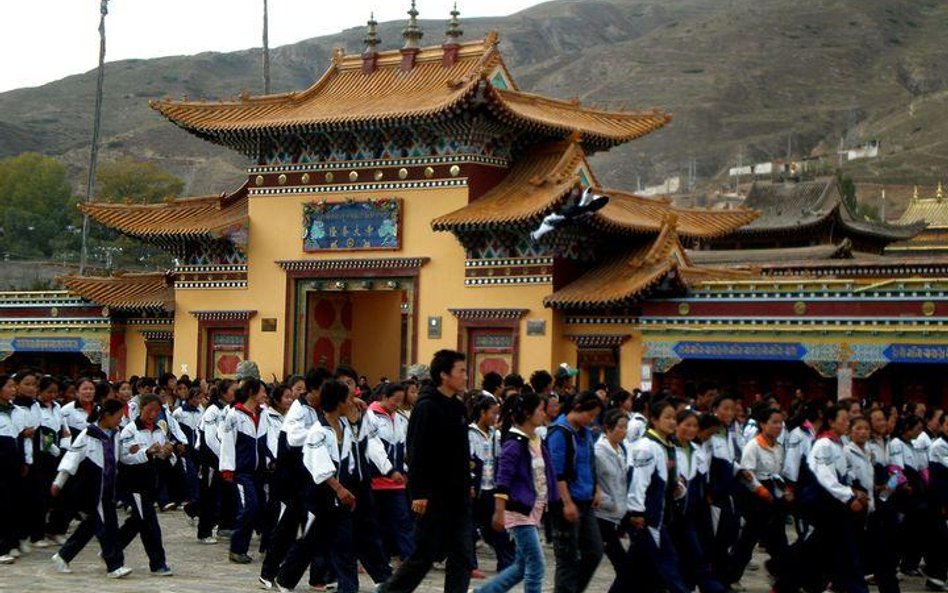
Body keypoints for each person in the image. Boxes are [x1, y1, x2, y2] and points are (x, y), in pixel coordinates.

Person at [377, 349, 474, 593]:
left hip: (458, 496)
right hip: (432, 495)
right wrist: (419, 492)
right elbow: (416, 452)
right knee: (424, 556)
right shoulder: (427, 407)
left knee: (462, 555)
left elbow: (462, 454)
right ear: (444, 374)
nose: (465, 376)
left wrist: (467, 484)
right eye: (461, 371)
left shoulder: (458, 408)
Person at [275, 379, 359, 593]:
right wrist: (339, 489)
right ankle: (285, 578)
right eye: (348, 399)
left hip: (342, 495)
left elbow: (350, 459)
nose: (352, 402)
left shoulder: (344, 427)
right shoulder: (317, 431)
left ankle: (349, 588)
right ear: (339, 402)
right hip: (321, 495)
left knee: (344, 544)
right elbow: (320, 466)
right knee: (310, 541)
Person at [474, 392, 557, 593]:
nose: (544, 413)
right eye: (540, 409)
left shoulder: (535, 440)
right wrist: (499, 510)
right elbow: (502, 480)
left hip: (532, 511)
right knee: (536, 565)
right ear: (528, 413)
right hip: (519, 512)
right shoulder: (514, 443)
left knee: (521, 566)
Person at [259, 367, 331, 588]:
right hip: (292, 479)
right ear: (315, 389)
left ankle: (317, 577)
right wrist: (317, 431)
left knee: (313, 527)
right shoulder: (299, 409)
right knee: (287, 529)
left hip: (310, 477)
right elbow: (292, 437)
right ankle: (268, 573)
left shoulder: (319, 408)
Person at [49, 398, 132, 578]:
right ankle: (114, 564)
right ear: (107, 415)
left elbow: (121, 457)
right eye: (118, 416)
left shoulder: (115, 434)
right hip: (94, 489)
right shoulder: (88, 434)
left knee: (91, 526)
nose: (121, 420)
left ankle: (63, 556)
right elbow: (72, 458)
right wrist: (58, 482)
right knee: (107, 527)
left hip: (110, 487)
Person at [614, 398, 690, 593]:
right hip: (648, 518)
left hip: (661, 514)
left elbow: (671, 479)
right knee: (668, 563)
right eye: (667, 418)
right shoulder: (646, 447)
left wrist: (679, 488)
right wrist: (637, 512)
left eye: (674, 418)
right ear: (654, 420)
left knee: (636, 571)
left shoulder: (668, 445)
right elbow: (639, 481)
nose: (672, 422)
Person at [804, 405, 868, 593]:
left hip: (836, 504)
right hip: (824, 503)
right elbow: (826, 478)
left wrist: (855, 490)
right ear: (831, 422)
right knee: (841, 550)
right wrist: (848, 497)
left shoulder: (838, 443)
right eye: (844, 419)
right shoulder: (823, 444)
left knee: (822, 549)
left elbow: (843, 472)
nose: (848, 423)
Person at [547, 390, 604, 593]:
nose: (592, 419)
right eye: (590, 414)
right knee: (567, 559)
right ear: (578, 408)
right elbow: (556, 472)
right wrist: (567, 502)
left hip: (585, 500)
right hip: (566, 503)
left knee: (594, 551)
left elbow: (590, 462)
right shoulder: (559, 433)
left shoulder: (584, 432)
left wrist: (596, 487)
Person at [116, 394, 173, 576]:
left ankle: (112, 548)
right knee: (150, 523)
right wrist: (146, 452)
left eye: (157, 411)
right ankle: (157, 563)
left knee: (137, 522)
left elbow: (162, 456)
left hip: (151, 482)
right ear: (141, 409)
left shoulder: (158, 430)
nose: (153, 414)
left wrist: (166, 452)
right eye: (150, 410)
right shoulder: (130, 431)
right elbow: (125, 457)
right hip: (134, 483)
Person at [732, 407, 790, 582]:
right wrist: (760, 490)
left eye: (780, 423)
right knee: (748, 540)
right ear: (763, 424)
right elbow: (746, 473)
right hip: (756, 497)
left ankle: (782, 573)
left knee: (779, 538)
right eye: (774, 423)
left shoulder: (779, 447)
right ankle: (731, 575)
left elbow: (779, 471)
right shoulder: (754, 445)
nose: (778, 427)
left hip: (774, 493)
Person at [673, 410, 725, 593]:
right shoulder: (669, 449)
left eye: (694, 426)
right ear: (676, 425)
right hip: (672, 514)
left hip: (694, 513)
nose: (691, 429)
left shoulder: (697, 451)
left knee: (697, 555)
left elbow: (702, 482)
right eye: (686, 424)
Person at [219, 377, 270, 564]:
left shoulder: (264, 414)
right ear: (251, 392)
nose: (265, 395)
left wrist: (270, 459)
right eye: (262, 391)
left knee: (257, 508)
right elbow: (227, 443)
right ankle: (237, 548)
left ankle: (243, 547)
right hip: (241, 472)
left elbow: (268, 441)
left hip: (259, 472)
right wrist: (227, 468)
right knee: (249, 506)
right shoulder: (234, 415)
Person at [366, 383, 414, 563]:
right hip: (376, 479)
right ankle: (378, 559)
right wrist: (389, 470)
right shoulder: (370, 417)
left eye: (400, 401)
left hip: (396, 482)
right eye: (395, 401)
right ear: (385, 397)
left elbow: (402, 448)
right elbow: (374, 448)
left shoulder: (399, 419)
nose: (398, 404)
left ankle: (409, 558)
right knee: (378, 523)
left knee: (403, 519)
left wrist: (405, 470)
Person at [469, 394, 514, 575]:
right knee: (470, 529)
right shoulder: (470, 434)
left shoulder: (495, 434)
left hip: (490, 487)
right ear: (482, 412)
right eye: (493, 413)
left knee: (496, 526)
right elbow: (468, 461)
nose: (495, 418)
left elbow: (499, 458)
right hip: (476, 487)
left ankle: (507, 562)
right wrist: (470, 483)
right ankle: (470, 565)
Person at [197, 379, 235, 544]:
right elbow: (211, 439)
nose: (236, 393)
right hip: (212, 459)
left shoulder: (229, 410)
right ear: (223, 392)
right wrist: (224, 457)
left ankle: (225, 526)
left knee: (227, 493)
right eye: (233, 390)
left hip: (225, 459)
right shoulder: (212, 411)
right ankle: (204, 531)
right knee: (209, 495)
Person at [594, 409, 629, 584]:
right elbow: (594, 482)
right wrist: (609, 503)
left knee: (625, 566)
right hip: (603, 515)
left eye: (626, 427)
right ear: (607, 428)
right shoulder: (598, 452)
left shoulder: (621, 449)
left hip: (619, 513)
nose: (624, 431)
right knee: (622, 564)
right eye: (620, 427)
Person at [171, 385, 204, 520]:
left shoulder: (201, 412)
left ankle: (195, 498)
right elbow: (173, 430)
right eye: (196, 398)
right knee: (189, 472)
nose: (199, 401)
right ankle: (191, 497)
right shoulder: (179, 412)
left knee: (197, 472)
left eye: (201, 398)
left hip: (197, 447)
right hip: (184, 447)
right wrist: (177, 444)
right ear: (190, 398)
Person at [0, 374, 23, 564]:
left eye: (14, 386)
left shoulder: (15, 410)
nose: (13, 389)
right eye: (9, 386)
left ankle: (10, 542)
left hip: (13, 462)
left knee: (12, 503)